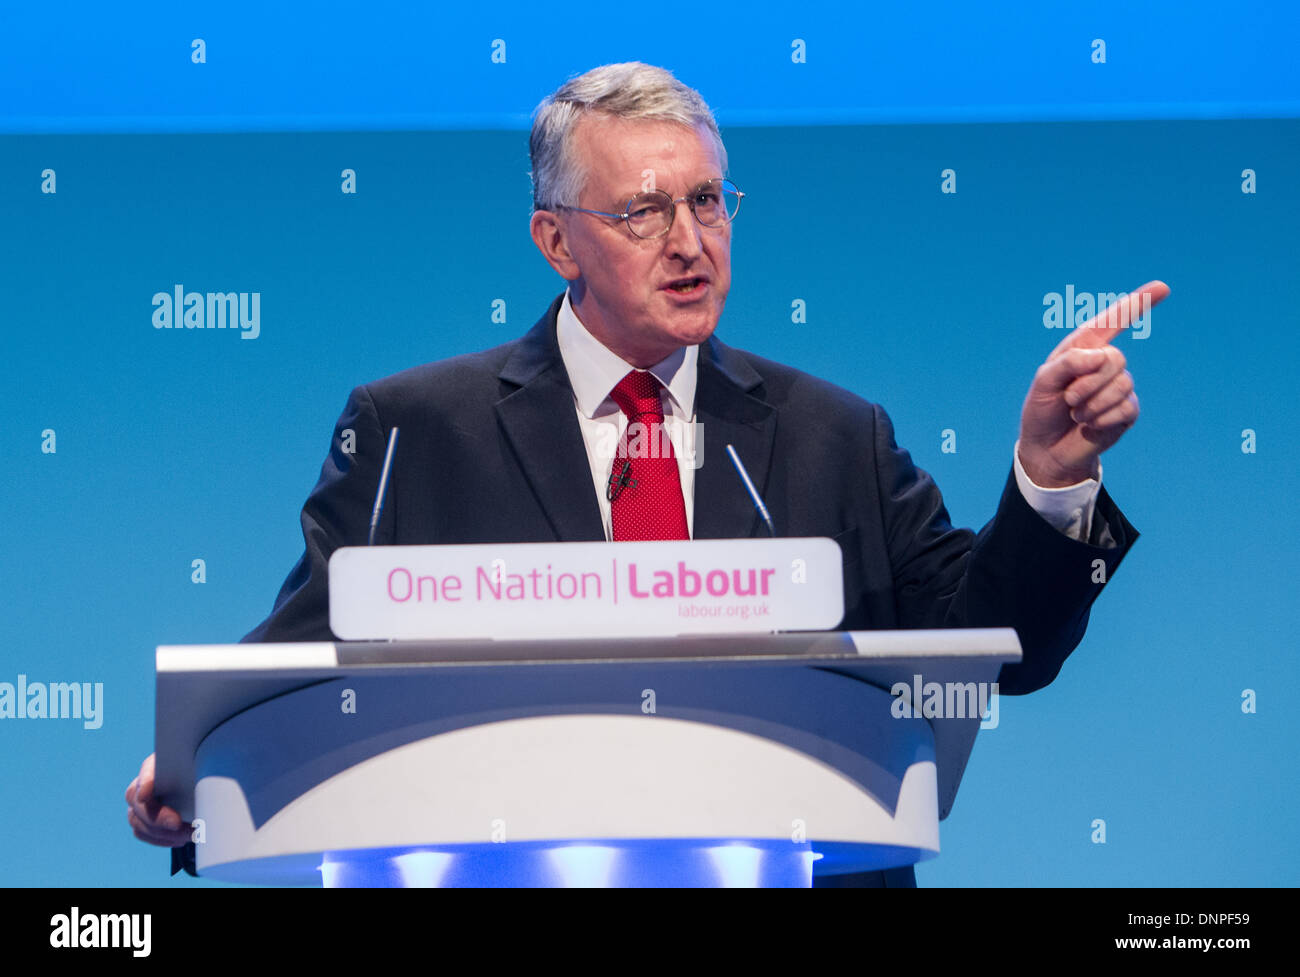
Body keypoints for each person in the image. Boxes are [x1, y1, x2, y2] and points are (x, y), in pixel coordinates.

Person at [128, 62, 1161, 887]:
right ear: (554, 241)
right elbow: (304, 659)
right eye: (642, 211)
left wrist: (1048, 477)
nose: (688, 242)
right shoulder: (415, 427)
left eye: (708, 201)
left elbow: (991, 648)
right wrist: (195, 772)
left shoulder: (830, 434)